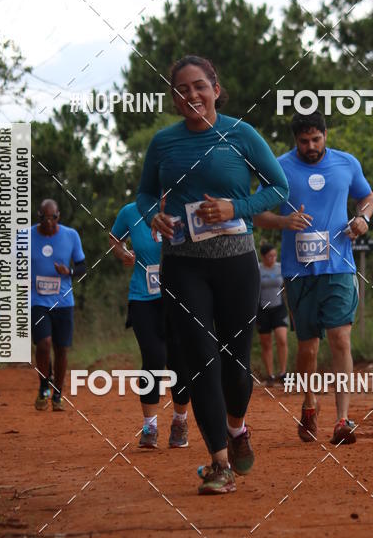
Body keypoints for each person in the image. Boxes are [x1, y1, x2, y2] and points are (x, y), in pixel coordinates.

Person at [136, 54, 289, 495]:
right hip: (183, 264)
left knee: (235, 363)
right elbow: (147, 193)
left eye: (199, 86)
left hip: (236, 262)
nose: (192, 95)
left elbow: (279, 187)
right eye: (182, 90)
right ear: (174, 98)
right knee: (201, 360)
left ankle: (237, 429)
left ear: (216, 88)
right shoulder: (164, 143)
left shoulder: (242, 135)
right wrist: (154, 217)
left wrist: (235, 208)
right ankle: (219, 462)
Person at [255, 111, 373, 446]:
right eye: (304, 141)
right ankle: (309, 403)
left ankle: (343, 418)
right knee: (307, 348)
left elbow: (367, 197)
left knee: (340, 338)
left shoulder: (346, 163)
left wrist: (362, 218)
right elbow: (256, 213)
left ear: (326, 134)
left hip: (338, 268)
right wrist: (283, 222)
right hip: (299, 273)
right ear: (295, 141)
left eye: (316, 139)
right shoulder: (278, 167)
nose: (311, 146)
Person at [110, 201, 190, 448]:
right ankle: (150, 426)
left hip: (179, 296)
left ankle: (179, 420)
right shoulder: (130, 212)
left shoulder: (183, 206)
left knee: (178, 359)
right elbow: (114, 238)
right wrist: (123, 253)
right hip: (143, 297)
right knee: (154, 357)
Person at [31, 199, 86, 412]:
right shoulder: (26, 236)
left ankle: (58, 394)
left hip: (63, 301)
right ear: (39, 217)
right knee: (43, 344)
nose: (49, 222)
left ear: (58, 216)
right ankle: (44, 385)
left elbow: (82, 266)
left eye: (53, 218)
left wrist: (69, 272)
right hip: (37, 301)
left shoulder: (71, 235)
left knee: (61, 349)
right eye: (45, 218)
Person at [257, 242, 288, 382]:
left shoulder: (280, 268)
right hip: (262, 310)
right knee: (266, 343)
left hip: (279, 308)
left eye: (275, 255)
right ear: (263, 257)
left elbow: (286, 287)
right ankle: (270, 375)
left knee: (282, 339)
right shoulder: (257, 269)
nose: (273, 258)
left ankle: (283, 373)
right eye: (270, 256)